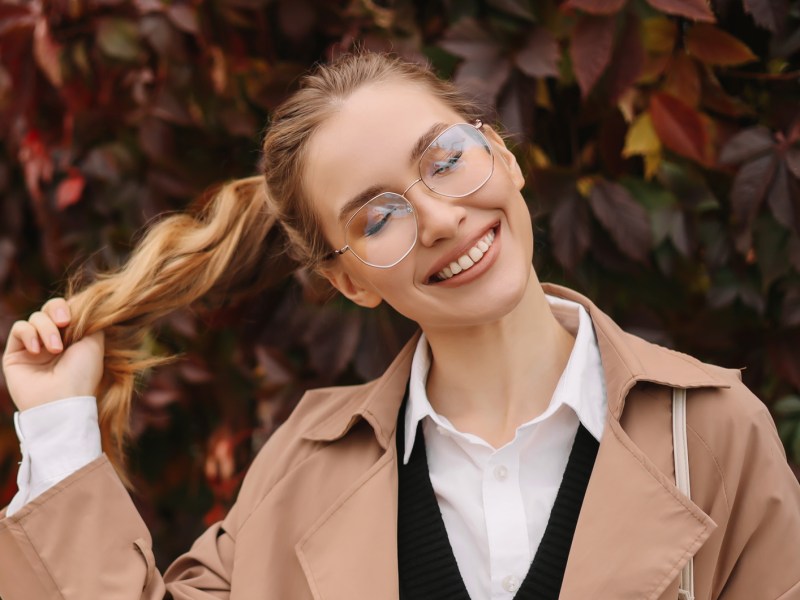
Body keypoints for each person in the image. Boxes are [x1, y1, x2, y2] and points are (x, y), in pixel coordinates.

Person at [1, 52, 799, 600]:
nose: (442, 218)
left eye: (446, 159)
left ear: (504, 155)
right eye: (379, 216)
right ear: (349, 280)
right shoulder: (302, 475)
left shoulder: (713, 434)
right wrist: (60, 423)